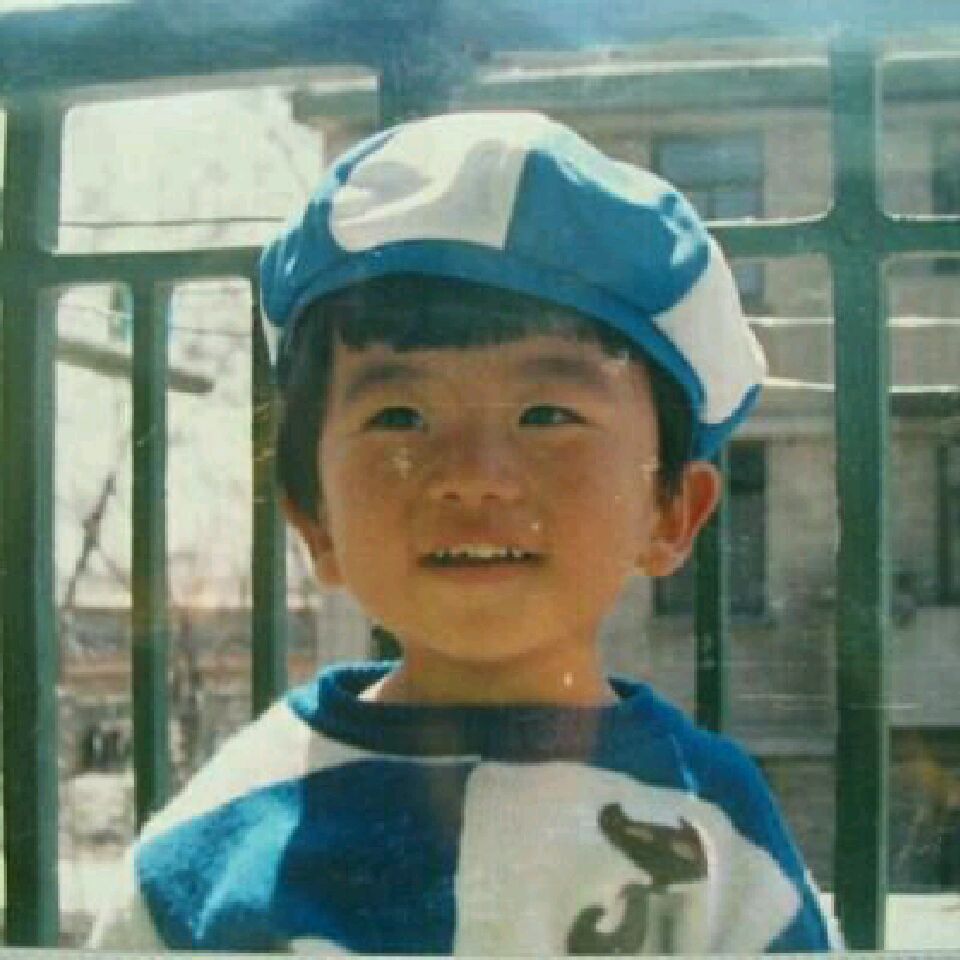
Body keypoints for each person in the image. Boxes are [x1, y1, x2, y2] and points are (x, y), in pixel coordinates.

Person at [91, 111, 839, 953]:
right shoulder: (214, 841)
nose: (474, 473)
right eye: (400, 416)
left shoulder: (720, 836)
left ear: (672, 510)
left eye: (547, 414)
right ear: (312, 516)